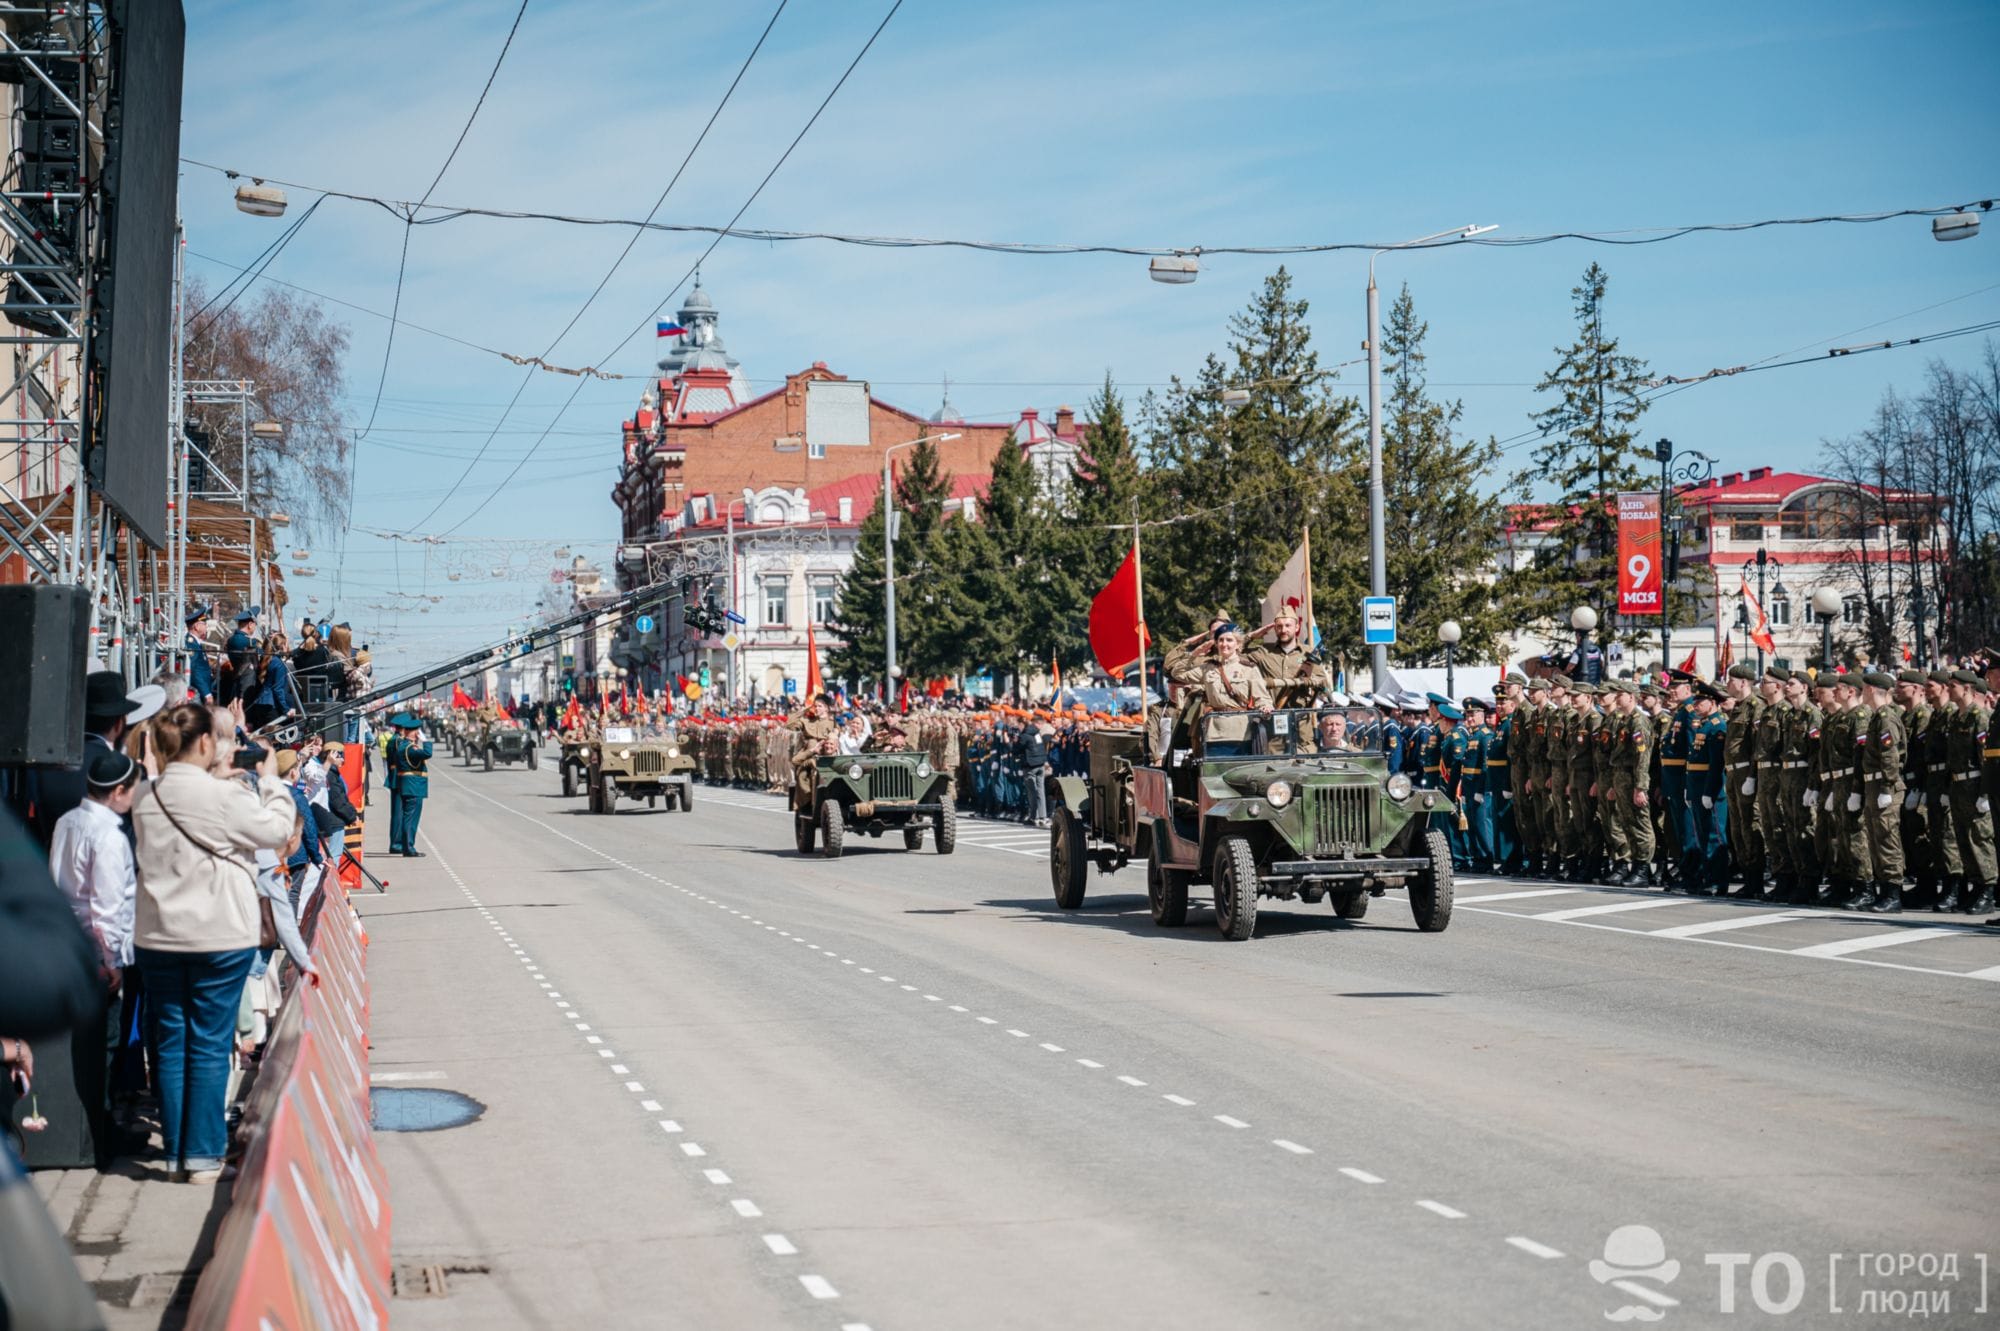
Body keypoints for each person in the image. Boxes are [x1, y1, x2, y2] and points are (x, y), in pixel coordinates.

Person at [132, 702, 294, 1183]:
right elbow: (278, 831)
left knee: (172, 1042)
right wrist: (268, 780)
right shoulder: (225, 798)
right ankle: (201, 1158)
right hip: (218, 935)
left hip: (158, 936)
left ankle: (179, 1153)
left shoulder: (145, 796)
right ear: (206, 743)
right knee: (207, 1045)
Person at [48, 748, 144, 1164]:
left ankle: (91, 1131)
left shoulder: (67, 821)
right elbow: (106, 908)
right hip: (98, 956)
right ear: (119, 791)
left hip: (68, 944)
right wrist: (111, 962)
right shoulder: (109, 837)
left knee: (86, 1047)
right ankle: (100, 1137)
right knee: (104, 1048)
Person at [387, 714, 432, 857]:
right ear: (413, 732)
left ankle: (405, 845)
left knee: (406, 817)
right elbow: (427, 753)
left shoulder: (403, 746)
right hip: (413, 786)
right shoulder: (409, 748)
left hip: (408, 785)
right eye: (417, 731)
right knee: (410, 819)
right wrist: (425, 740)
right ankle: (408, 847)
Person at [245, 631, 300, 732]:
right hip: (271, 705)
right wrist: (286, 709)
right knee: (274, 736)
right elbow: (278, 689)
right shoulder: (279, 664)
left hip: (261, 703)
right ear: (282, 646)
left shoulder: (269, 660)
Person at [222, 606, 260, 707]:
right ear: (250, 624)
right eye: (255, 624)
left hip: (239, 678)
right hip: (246, 681)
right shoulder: (246, 641)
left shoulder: (234, 639)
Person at [184, 604, 218, 705]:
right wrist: (206, 693)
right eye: (204, 623)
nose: (206, 626)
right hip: (197, 691)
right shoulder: (191, 644)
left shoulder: (194, 642)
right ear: (196, 626)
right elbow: (194, 670)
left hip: (200, 689)